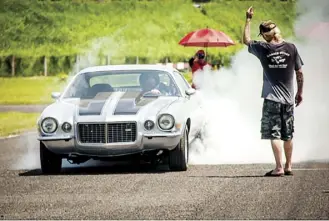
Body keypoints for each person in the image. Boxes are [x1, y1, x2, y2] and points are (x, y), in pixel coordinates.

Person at [243, 6, 304, 176]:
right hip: (289, 99)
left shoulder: (263, 48)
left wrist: (248, 19)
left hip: (271, 99)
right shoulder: (291, 48)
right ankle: (289, 166)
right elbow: (299, 73)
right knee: (288, 133)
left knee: (274, 133)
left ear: (264, 35)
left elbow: (246, 40)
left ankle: (278, 167)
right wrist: (299, 93)